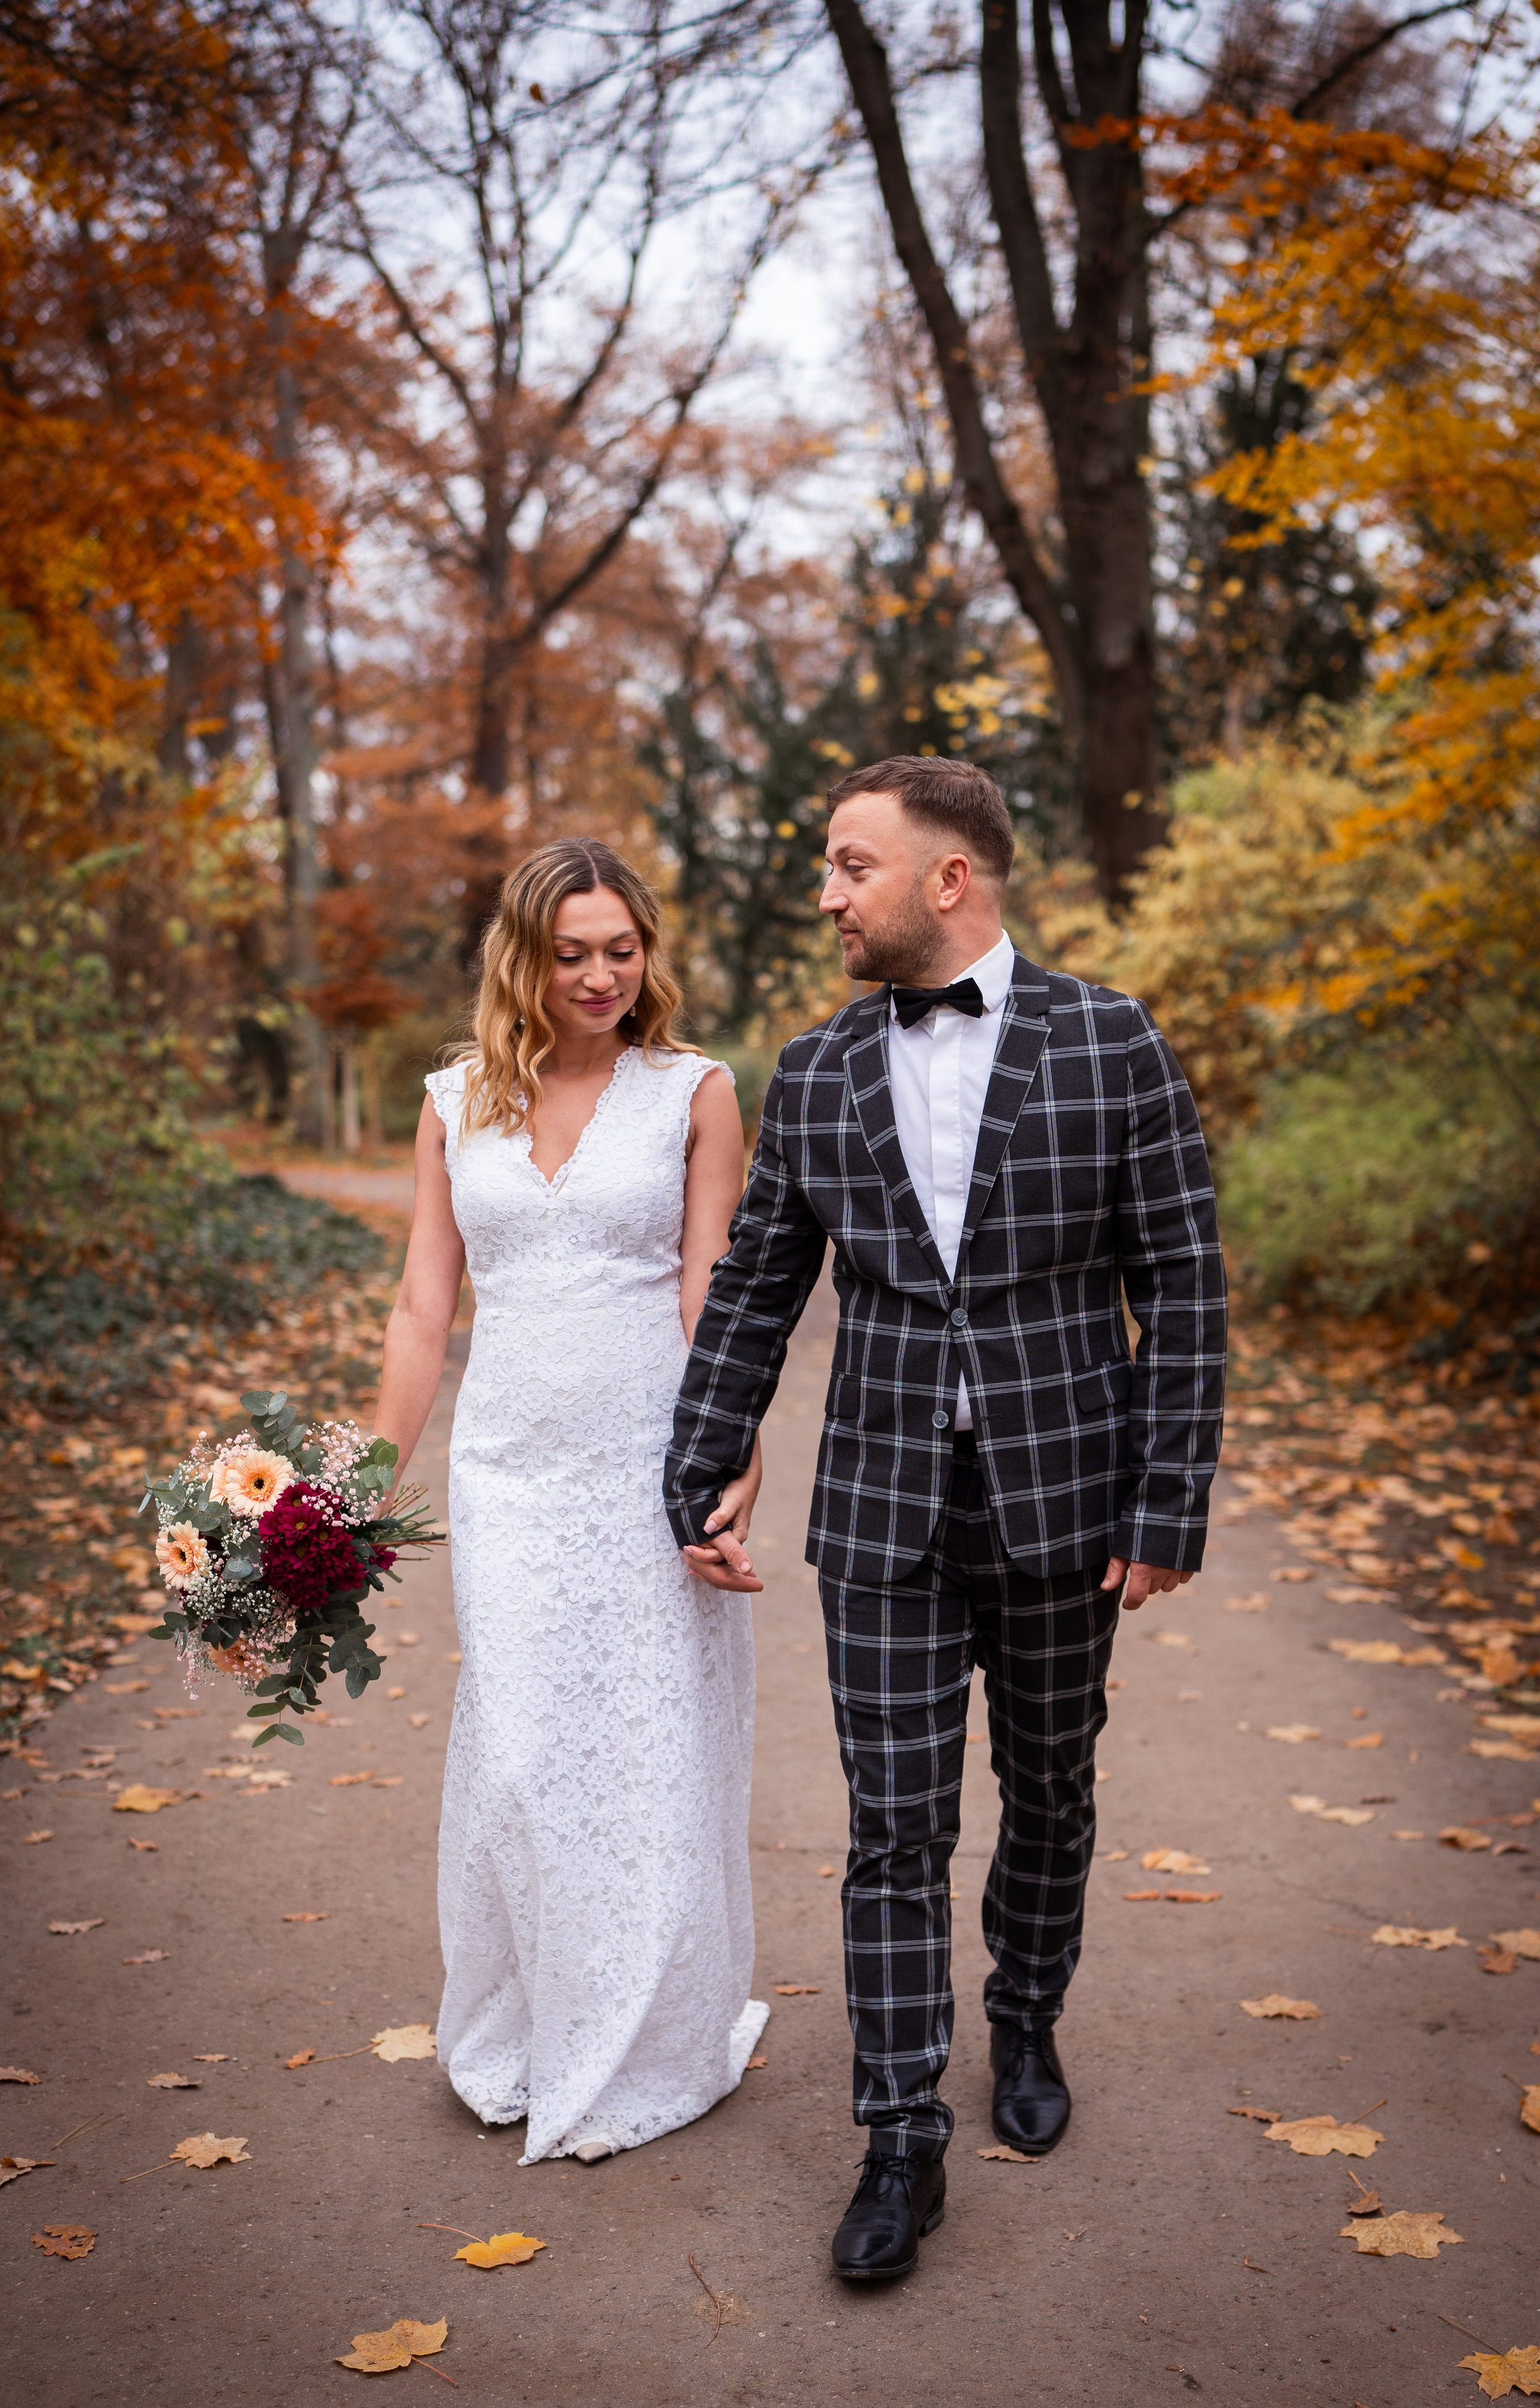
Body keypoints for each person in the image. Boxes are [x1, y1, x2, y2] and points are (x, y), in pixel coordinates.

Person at [665, 757, 1226, 2278]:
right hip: (882, 1508)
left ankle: (1026, 2020)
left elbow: (1177, 1274)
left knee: (1049, 1787)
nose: (828, 894)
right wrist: (695, 1462)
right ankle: (898, 2132)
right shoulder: (817, 1067)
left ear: (948, 879)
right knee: (892, 1826)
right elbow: (759, 1286)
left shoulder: (1110, 1041)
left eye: (852, 866)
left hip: (1068, 1492)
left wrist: (1167, 1493)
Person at [374, 837, 768, 2165]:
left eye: (622, 948)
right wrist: (364, 1481)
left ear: (645, 950)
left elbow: (709, 1290)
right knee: (527, 1754)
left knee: (651, 1749)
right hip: (506, 1470)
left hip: (646, 1457)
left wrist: (732, 1452)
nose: (602, 974)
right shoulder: (452, 1101)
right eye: (572, 952)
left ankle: (650, 2040)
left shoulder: (694, 1093)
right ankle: (529, 2022)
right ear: (523, 959)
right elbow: (428, 1300)